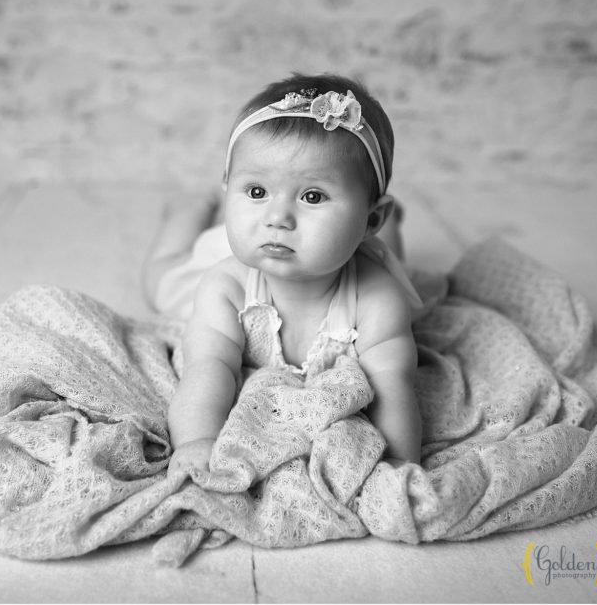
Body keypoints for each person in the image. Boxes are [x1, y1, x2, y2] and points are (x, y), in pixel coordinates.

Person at [143, 73, 424, 475]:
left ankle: (388, 233)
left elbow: (392, 384)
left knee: (397, 271)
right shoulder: (223, 287)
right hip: (238, 266)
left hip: (362, 254)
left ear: (370, 217)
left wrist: (399, 464)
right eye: (256, 192)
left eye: (312, 196)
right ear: (228, 190)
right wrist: (198, 440)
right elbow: (207, 367)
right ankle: (183, 216)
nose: (276, 218)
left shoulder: (378, 299)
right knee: (161, 284)